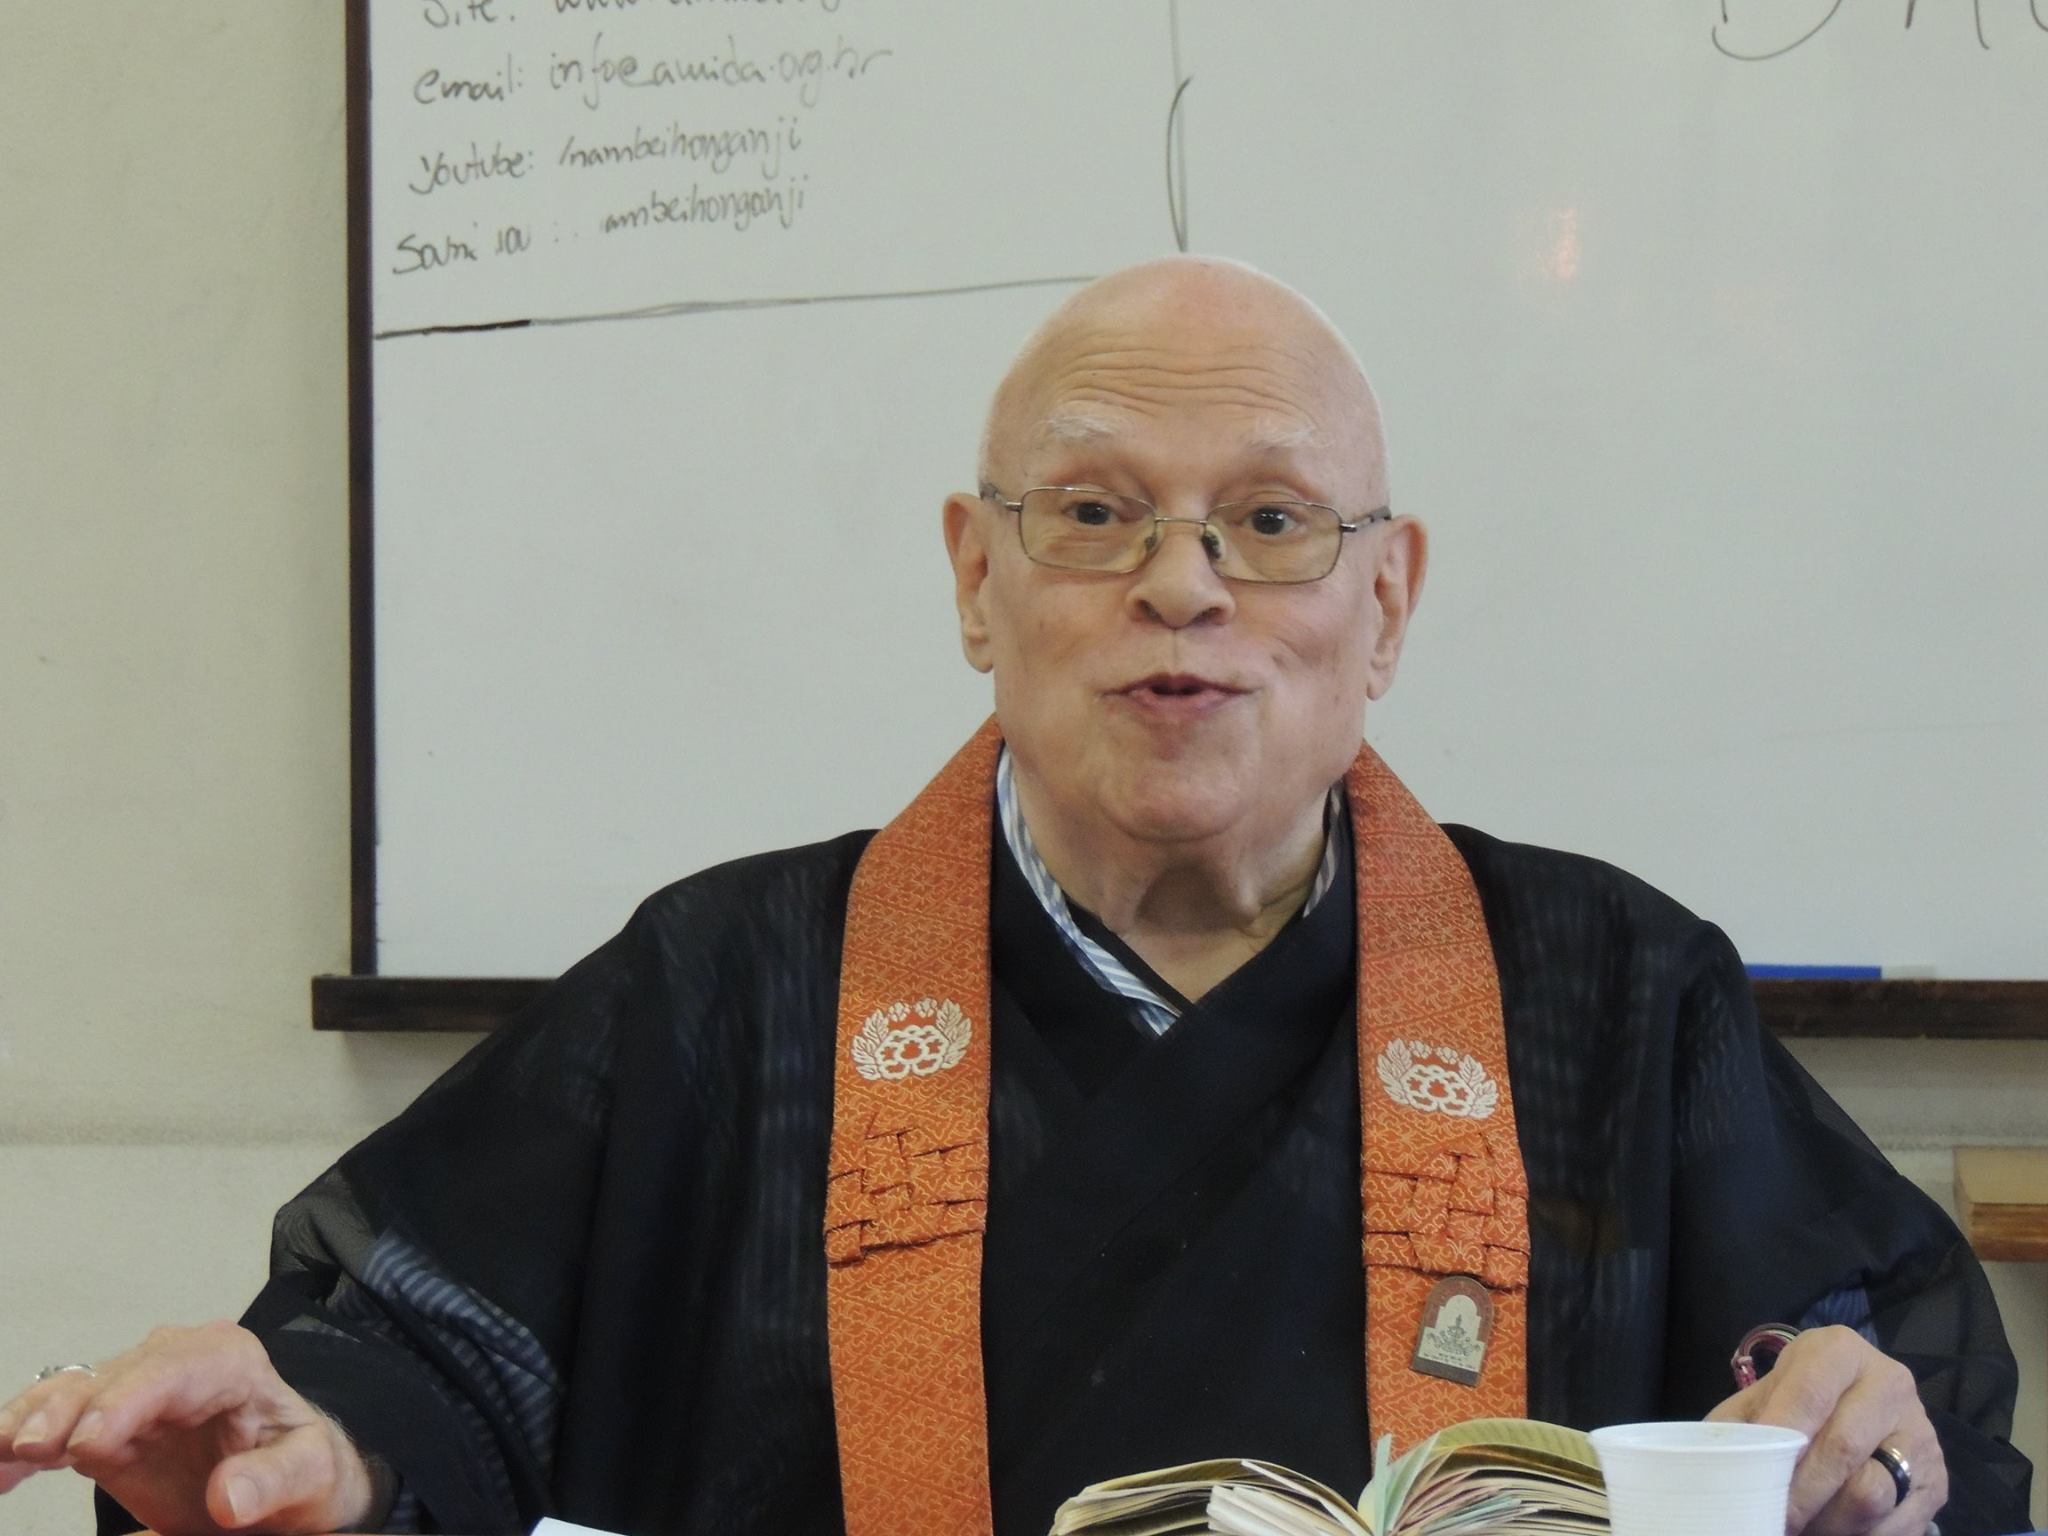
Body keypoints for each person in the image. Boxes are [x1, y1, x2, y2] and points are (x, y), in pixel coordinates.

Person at [0, 259, 2030, 1536]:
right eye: (1093, 513)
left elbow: (1868, 1382)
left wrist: (1859, 1444)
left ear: (1387, 602)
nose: (1181, 586)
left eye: (1268, 520)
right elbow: (429, 1366)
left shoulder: (1608, 992)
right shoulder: (724, 992)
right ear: (975, 581)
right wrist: (326, 1453)